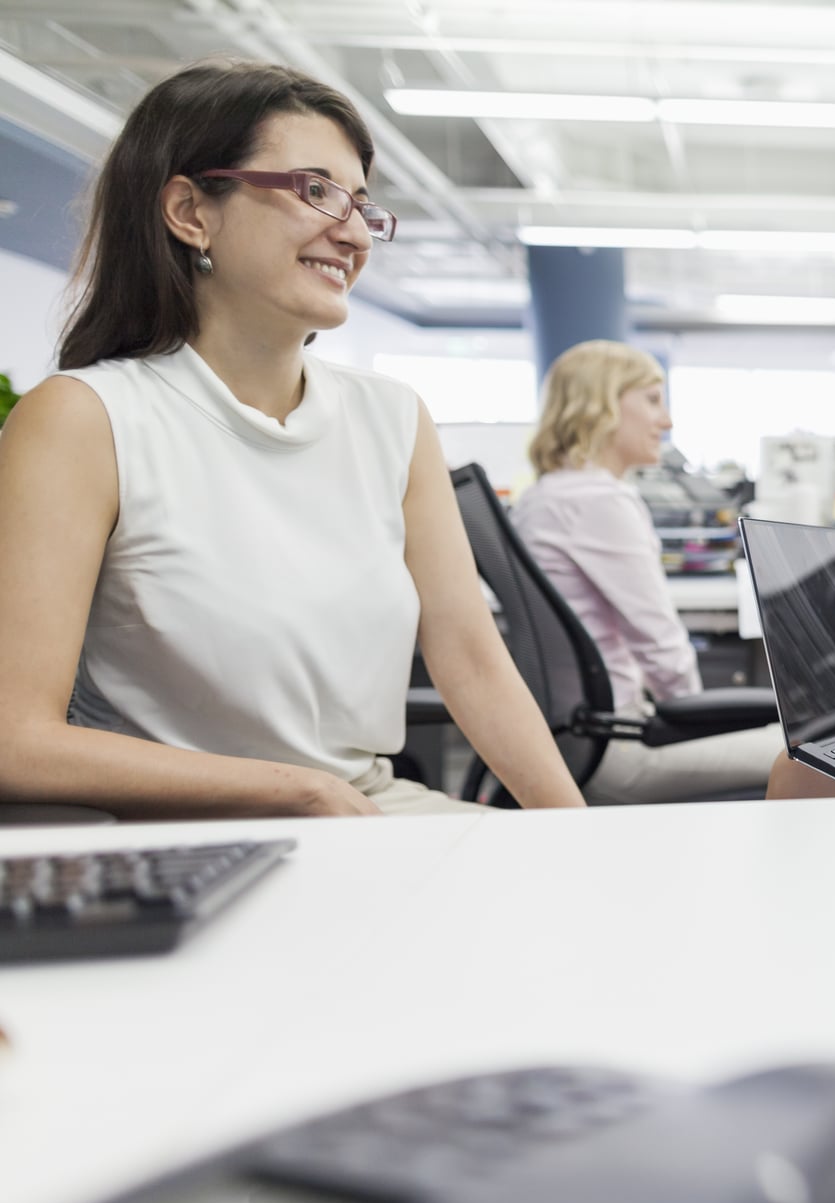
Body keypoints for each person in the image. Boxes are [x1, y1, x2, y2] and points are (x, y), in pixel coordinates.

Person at [0, 59, 585, 817]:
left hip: (370, 813)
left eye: (362, 206)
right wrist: (298, 790)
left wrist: (572, 836)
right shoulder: (85, 418)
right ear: (190, 211)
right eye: (315, 191)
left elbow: (470, 659)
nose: (352, 233)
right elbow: (16, 738)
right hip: (193, 844)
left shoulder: (393, 417)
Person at [511, 341, 784, 802]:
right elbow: (659, 643)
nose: (667, 420)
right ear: (600, 405)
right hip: (619, 753)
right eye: (653, 400)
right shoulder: (600, 501)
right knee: (818, 750)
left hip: (574, 744)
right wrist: (700, 718)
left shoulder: (542, 498)